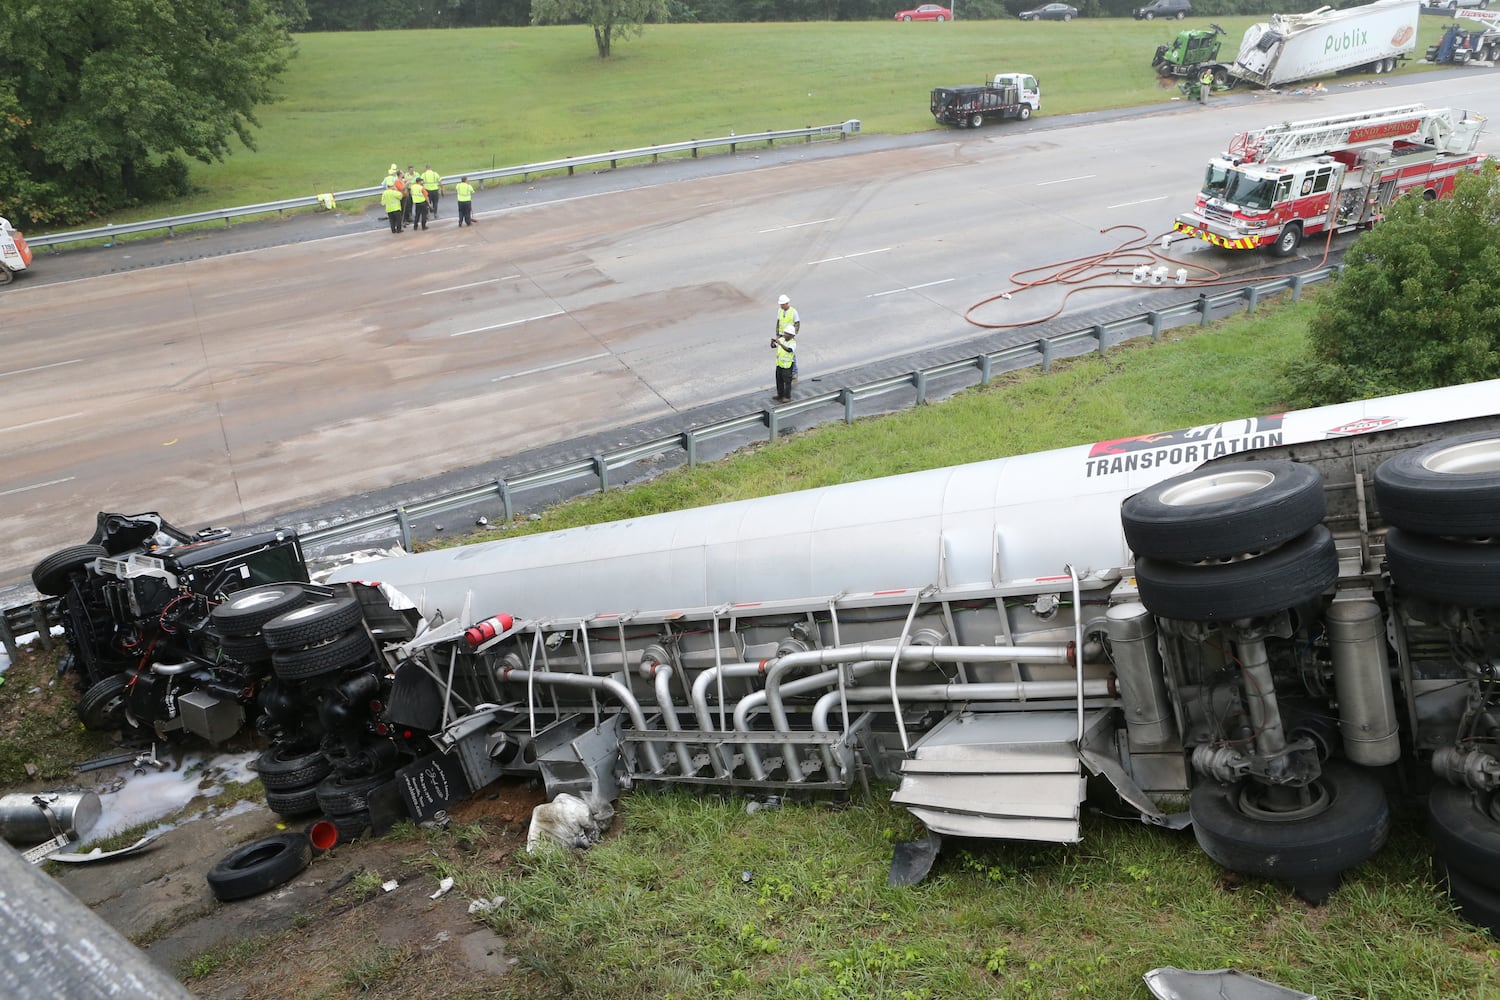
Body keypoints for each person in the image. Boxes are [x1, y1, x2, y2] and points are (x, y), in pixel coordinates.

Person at [775, 294, 800, 378]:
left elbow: (797, 323)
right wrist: (777, 335)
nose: (781, 306)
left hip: (789, 336)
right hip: (782, 335)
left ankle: (794, 371)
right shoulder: (780, 311)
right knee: (782, 352)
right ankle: (783, 369)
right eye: (780, 304)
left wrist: (793, 335)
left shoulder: (793, 311)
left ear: (786, 303)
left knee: (790, 353)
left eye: (782, 304)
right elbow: (778, 323)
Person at [772, 327, 796, 402]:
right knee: (779, 381)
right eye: (785, 333)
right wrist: (772, 343)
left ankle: (787, 397)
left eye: (786, 333)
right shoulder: (781, 339)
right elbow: (773, 346)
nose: (784, 334)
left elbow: (789, 350)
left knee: (787, 382)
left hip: (787, 366)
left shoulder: (793, 343)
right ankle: (780, 395)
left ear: (791, 335)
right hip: (779, 365)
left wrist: (780, 344)